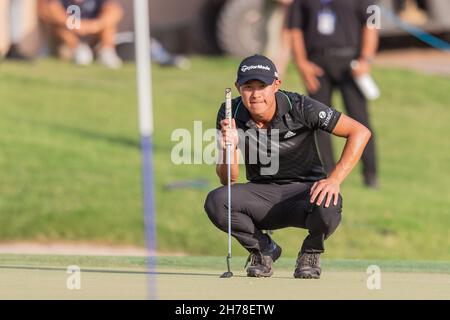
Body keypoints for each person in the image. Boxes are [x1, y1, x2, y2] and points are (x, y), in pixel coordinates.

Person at [204, 54, 371, 279]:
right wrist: (228, 147)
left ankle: (310, 253)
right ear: (238, 87)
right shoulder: (230, 113)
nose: (255, 94)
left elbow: (360, 132)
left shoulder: (301, 106)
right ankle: (263, 249)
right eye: (248, 86)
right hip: (261, 196)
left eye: (262, 86)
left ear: (276, 85)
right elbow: (228, 180)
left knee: (329, 201)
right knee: (218, 201)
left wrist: (334, 179)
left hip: (305, 193)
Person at [288, 0, 379, 187]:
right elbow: (294, 28)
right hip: (317, 64)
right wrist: (301, 63)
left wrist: (366, 59)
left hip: (350, 63)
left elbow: (371, 24)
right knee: (318, 122)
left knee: (360, 120)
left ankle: (370, 175)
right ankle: (326, 174)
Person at [38, 0, 123, 69]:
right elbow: (50, 10)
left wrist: (95, 25)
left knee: (108, 27)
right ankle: (79, 50)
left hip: (93, 33)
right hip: (70, 34)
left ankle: (106, 52)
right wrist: (75, 25)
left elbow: (115, 11)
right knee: (59, 28)